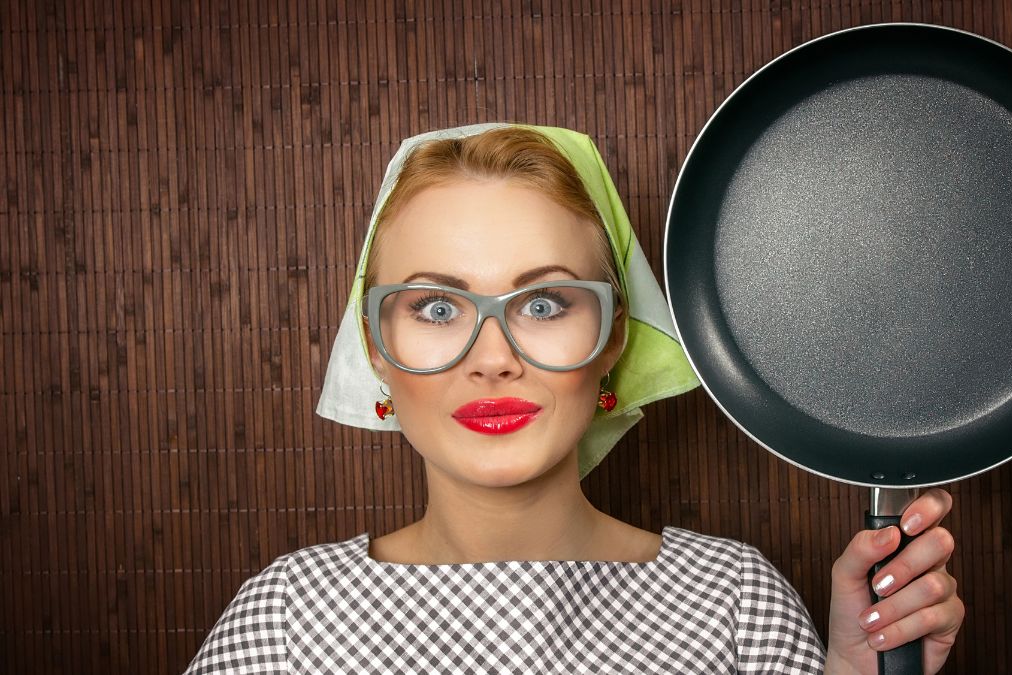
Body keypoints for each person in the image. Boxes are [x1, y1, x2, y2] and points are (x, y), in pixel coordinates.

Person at [183, 123, 963, 674]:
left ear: (615, 337)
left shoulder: (730, 600)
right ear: (375, 346)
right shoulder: (288, 617)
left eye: (546, 303)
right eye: (435, 307)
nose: (493, 359)